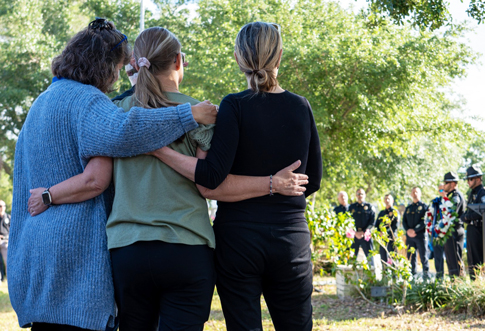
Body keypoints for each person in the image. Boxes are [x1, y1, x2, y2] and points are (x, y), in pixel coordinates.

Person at [28, 26, 309, 331]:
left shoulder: (115, 113)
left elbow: (98, 179)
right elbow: (207, 182)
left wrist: (49, 194)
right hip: (187, 248)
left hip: (128, 250)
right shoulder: (203, 113)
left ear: (136, 63)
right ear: (178, 61)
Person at [9, 18, 220, 331]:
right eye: (119, 68)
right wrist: (189, 114)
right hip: (74, 252)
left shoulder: (42, 103)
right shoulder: (87, 101)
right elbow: (123, 134)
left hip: (36, 250)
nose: (118, 77)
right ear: (104, 65)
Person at [147, 22, 322, 331]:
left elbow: (210, 179)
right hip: (290, 240)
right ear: (279, 55)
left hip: (238, 243)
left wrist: (160, 150)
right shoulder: (301, 107)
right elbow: (313, 182)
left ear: (238, 58)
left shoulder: (234, 106)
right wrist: (275, 186)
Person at [460, 165, 485, 278]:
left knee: (478, 258)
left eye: (470, 179)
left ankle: (480, 282)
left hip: (479, 229)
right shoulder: (472, 193)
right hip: (472, 229)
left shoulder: (482, 193)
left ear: (478, 179)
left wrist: (467, 217)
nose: (468, 182)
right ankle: (474, 281)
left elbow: (484, 210)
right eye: (468, 179)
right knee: (471, 259)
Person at [439, 172, 466, 277]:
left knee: (455, 262)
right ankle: (454, 284)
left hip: (454, 231)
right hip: (450, 231)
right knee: (451, 261)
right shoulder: (451, 196)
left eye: (446, 183)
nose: (444, 185)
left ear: (453, 184)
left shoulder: (455, 197)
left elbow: (450, 213)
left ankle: (458, 286)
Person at [402, 187, 429, 279]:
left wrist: (414, 230)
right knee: (411, 256)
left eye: (416, 192)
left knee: (423, 256)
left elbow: (425, 221)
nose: (414, 193)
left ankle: (426, 276)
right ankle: (412, 276)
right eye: (413, 192)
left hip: (420, 235)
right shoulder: (408, 208)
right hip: (410, 237)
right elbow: (404, 221)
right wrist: (408, 230)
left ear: (420, 194)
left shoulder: (424, 206)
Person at [348, 188, 376, 258]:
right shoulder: (351, 207)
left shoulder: (369, 207)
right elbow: (348, 220)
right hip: (354, 236)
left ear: (365, 195)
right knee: (351, 258)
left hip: (366, 236)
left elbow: (372, 221)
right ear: (356, 195)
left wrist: (364, 232)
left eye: (362, 194)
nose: (360, 195)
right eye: (358, 194)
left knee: (370, 259)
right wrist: (355, 232)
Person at [375, 194, 399, 263]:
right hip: (382, 239)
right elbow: (376, 225)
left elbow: (395, 226)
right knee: (383, 258)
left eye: (389, 199)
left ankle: (394, 273)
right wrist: (379, 232)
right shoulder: (381, 213)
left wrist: (385, 233)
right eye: (386, 199)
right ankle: (385, 273)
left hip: (391, 239)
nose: (387, 200)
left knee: (393, 258)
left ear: (392, 201)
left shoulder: (395, 212)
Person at [0, 200, 9, 282]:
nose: (1, 208)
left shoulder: (8, 217)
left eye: (2, 206)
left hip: (5, 241)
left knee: (7, 261)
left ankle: (9, 278)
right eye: (0, 206)